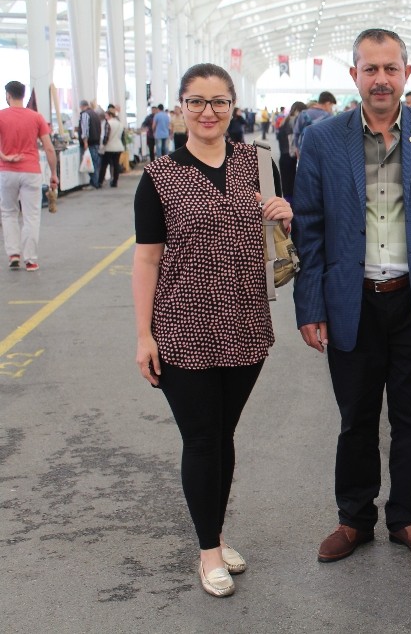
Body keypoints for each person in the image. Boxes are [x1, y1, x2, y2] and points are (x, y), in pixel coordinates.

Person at [292, 28, 411, 564]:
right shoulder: (324, 139)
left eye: (391, 69)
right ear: (354, 77)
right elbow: (310, 230)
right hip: (353, 300)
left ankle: (408, 520)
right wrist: (311, 306)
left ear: (407, 74)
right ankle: (354, 519)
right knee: (356, 417)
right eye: (371, 69)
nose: (381, 79)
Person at [132, 62, 292, 598]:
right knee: (202, 439)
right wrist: (143, 334)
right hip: (182, 327)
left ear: (233, 107)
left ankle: (216, 538)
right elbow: (147, 261)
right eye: (197, 101)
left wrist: (284, 211)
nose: (208, 111)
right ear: (180, 108)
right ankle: (207, 553)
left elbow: (281, 231)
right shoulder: (159, 177)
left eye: (219, 101)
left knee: (223, 436)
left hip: (247, 322)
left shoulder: (258, 164)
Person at [0, 80, 59, 271]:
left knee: (9, 213)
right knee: (31, 215)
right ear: (23, 95)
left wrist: (5, 156)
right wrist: (54, 174)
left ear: (8, 95)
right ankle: (30, 259)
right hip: (31, 171)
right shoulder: (36, 117)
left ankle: (13, 254)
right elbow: (49, 149)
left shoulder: (1, 116)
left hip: (7, 171)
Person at [277, 100, 306, 198]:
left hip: (283, 157)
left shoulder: (284, 120)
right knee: (293, 187)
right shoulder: (295, 121)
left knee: (286, 186)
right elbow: (293, 142)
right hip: (292, 158)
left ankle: (287, 205)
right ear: (299, 110)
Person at [99, 107, 125, 188]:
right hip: (118, 146)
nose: (105, 117)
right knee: (116, 165)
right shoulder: (120, 124)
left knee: (104, 165)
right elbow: (122, 136)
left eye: (106, 115)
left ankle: (100, 181)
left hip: (109, 147)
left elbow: (106, 136)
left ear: (110, 115)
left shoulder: (108, 123)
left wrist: (102, 145)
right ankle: (115, 181)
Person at [79, 100, 102, 187]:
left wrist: (85, 142)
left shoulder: (85, 114)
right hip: (96, 141)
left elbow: (85, 129)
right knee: (95, 162)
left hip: (90, 143)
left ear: (81, 106)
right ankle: (97, 181)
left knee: (90, 163)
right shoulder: (95, 114)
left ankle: (94, 182)